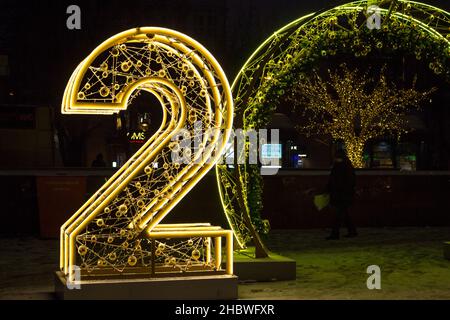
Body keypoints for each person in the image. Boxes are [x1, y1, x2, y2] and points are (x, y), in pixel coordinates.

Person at [326, 149, 357, 240]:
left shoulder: (338, 166)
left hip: (340, 194)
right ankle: (352, 231)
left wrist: (329, 189)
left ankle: (335, 234)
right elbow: (350, 181)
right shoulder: (346, 165)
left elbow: (334, 180)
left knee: (338, 215)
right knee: (344, 213)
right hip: (344, 194)